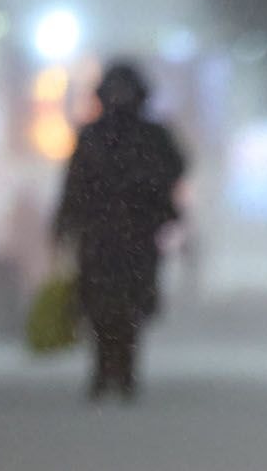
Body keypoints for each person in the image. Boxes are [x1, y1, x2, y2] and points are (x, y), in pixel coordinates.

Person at [53, 60, 186, 401]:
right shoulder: (102, 135)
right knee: (102, 308)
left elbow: (174, 169)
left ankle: (121, 369)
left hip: (129, 235)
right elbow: (75, 183)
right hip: (106, 235)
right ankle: (106, 370)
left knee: (126, 308)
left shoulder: (144, 136)